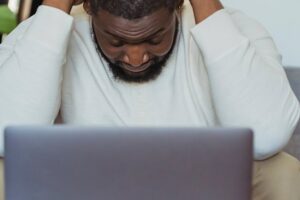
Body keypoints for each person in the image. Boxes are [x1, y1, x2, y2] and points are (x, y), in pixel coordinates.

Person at [0, 0, 299, 199]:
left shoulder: (232, 29)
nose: (135, 57)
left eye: (154, 39)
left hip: (199, 193)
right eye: (116, 41)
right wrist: (55, 9)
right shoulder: (43, 35)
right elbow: (5, 137)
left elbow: (267, 137)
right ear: (88, 6)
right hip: (84, 193)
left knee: (283, 173)